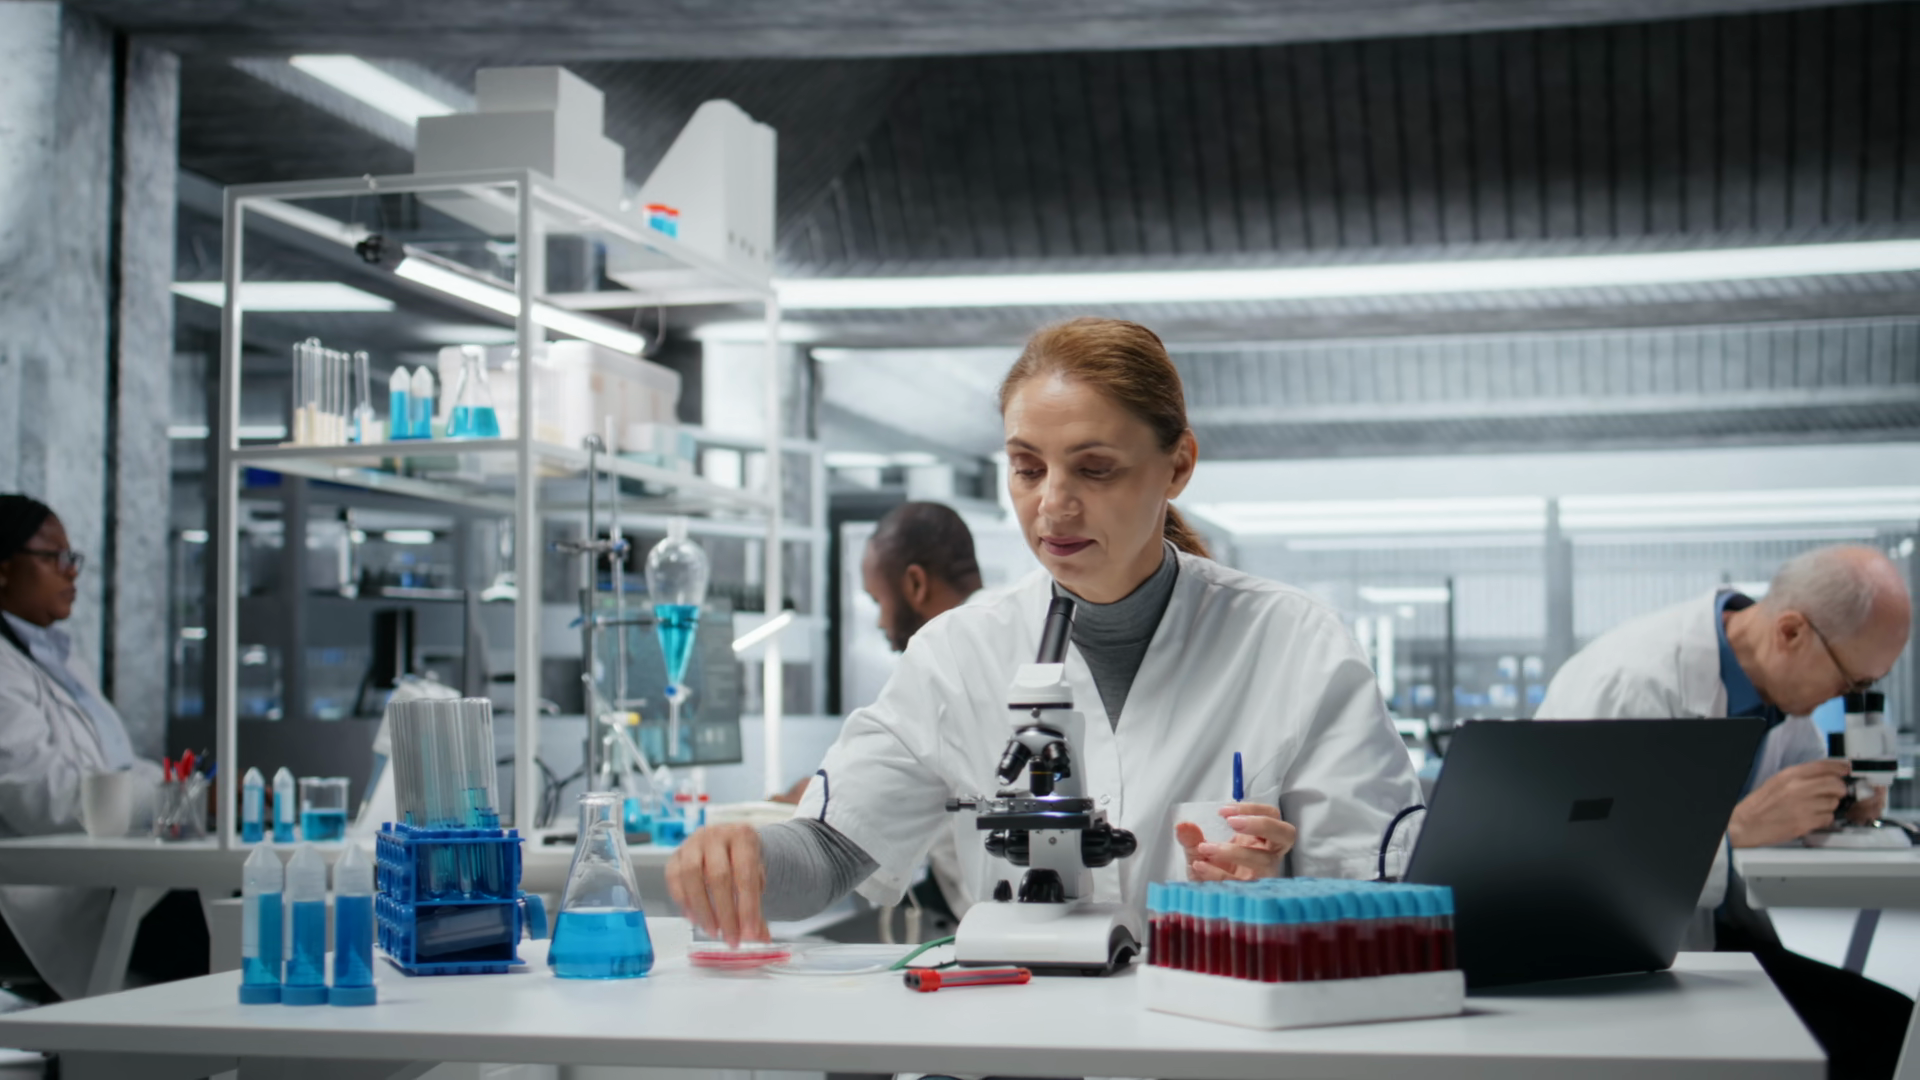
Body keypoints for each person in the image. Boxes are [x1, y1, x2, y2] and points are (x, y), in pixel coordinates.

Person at [668, 317, 1422, 946]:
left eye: (1094, 469)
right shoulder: (958, 653)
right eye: (1028, 469)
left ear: (1178, 466)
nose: (1053, 506)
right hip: (1016, 1038)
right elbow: (832, 851)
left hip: (1214, 1036)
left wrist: (1282, 891)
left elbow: (1386, 896)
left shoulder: (1297, 645)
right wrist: (742, 856)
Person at [1536, 543, 1912, 1080]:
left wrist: (1839, 806)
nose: (1845, 698)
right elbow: (1582, 875)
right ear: (1791, 632)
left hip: (1706, 940)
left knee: (1892, 1026)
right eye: (1850, 682)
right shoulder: (1632, 685)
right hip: (1604, 973)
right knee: (1877, 1039)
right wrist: (1736, 831)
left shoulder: (1778, 695)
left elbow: (1785, 808)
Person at [0, 495, 164, 1001]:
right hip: (48, 898)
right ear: (3, 569)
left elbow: (115, 765)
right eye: (54, 557)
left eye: (72, 558)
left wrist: (188, 789)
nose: (72, 572)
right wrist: (177, 801)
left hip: (111, 875)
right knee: (230, 928)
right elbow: (45, 799)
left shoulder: (57, 658)